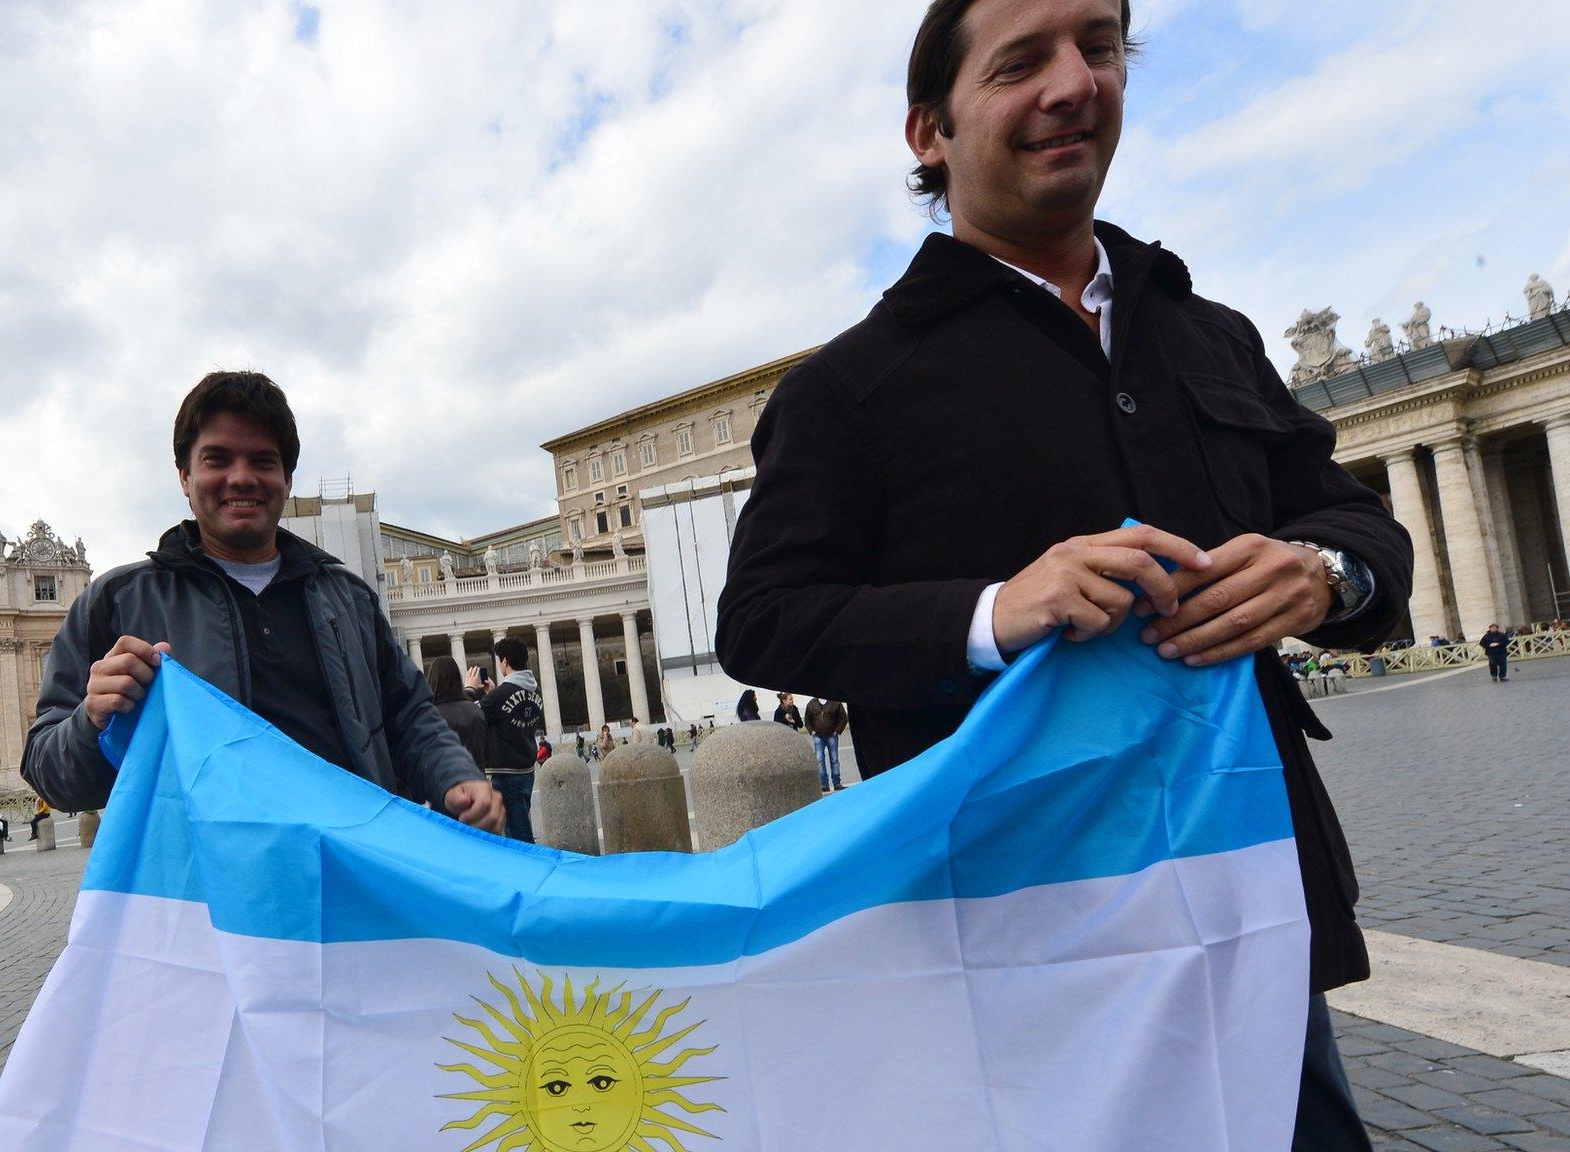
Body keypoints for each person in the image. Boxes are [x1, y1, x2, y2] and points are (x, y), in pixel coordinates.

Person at [713, 4, 1411, 1145]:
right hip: (1013, 933)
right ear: (927, 131)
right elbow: (762, 620)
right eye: (1020, 62)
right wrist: (994, 612)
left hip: (1245, 896)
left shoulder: (1211, 335)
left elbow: (1349, 518)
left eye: (1098, 47)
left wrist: (1325, 573)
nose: (1073, 83)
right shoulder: (845, 390)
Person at [22, 371, 501, 835]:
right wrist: (92, 720)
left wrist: (455, 777)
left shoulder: (348, 598)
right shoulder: (114, 602)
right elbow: (49, 773)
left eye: (263, 461)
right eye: (217, 459)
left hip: (346, 879)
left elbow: (410, 715)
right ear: (185, 476)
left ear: (287, 480)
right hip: (205, 902)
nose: (242, 477)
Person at [474, 636, 545, 844]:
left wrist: (470, 690)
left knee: (517, 834)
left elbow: (472, 715)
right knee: (520, 821)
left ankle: (531, 870)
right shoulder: (536, 690)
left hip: (506, 772)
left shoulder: (501, 695)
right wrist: (493, 693)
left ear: (504, 661)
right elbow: (513, 714)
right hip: (526, 769)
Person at [427, 656, 488, 771]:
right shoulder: (475, 710)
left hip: (447, 783)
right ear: (458, 679)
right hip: (477, 779)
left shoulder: (430, 717)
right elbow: (487, 752)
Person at [804, 696, 849, 792]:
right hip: (818, 736)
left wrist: (837, 731)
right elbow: (807, 719)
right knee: (819, 760)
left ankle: (837, 783)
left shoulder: (836, 702)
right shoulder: (811, 704)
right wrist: (811, 731)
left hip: (832, 735)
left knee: (834, 759)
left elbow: (843, 718)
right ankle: (824, 784)